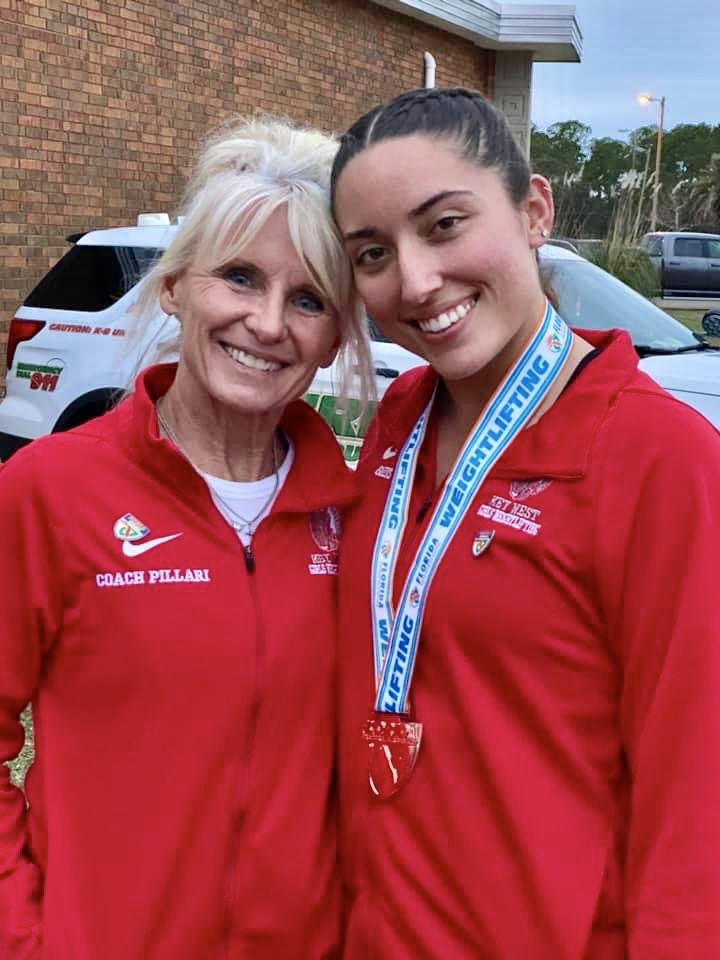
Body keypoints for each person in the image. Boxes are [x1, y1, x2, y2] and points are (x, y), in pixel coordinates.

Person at [330, 87, 720, 958]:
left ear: (535, 210)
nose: (415, 281)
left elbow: (698, 796)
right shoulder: (398, 422)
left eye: (444, 225)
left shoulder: (660, 459)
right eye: (372, 253)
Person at [0, 116, 373, 960]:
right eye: (239, 278)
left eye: (309, 299)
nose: (268, 323)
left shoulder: (357, 513)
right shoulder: (50, 492)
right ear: (175, 288)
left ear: (335, 335)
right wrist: (25, 939)